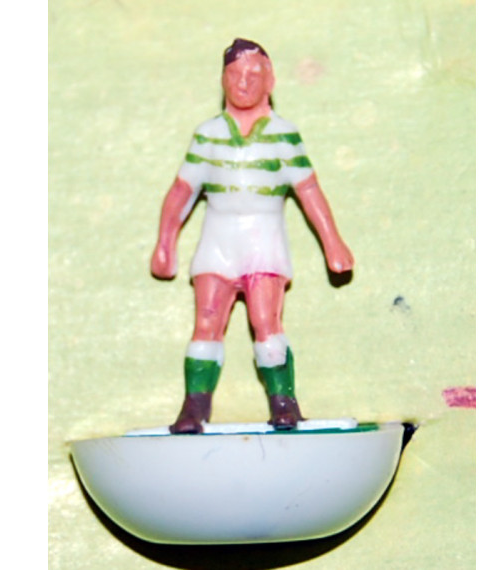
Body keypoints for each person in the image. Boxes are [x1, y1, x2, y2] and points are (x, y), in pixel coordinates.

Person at [151, 38, 354, 434]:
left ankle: (284, 403)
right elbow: (182, 190)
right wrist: (165, 242)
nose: (243, 83)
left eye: (253, 75)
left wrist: (333, 242)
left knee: (266, 320)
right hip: (218, 241)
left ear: (270, 81)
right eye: (234, 74)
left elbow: (308, 189)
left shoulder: (283, 134)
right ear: (222, 79)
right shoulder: (208, 134)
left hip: (263, 242)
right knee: (206, 321)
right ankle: (194, 408)